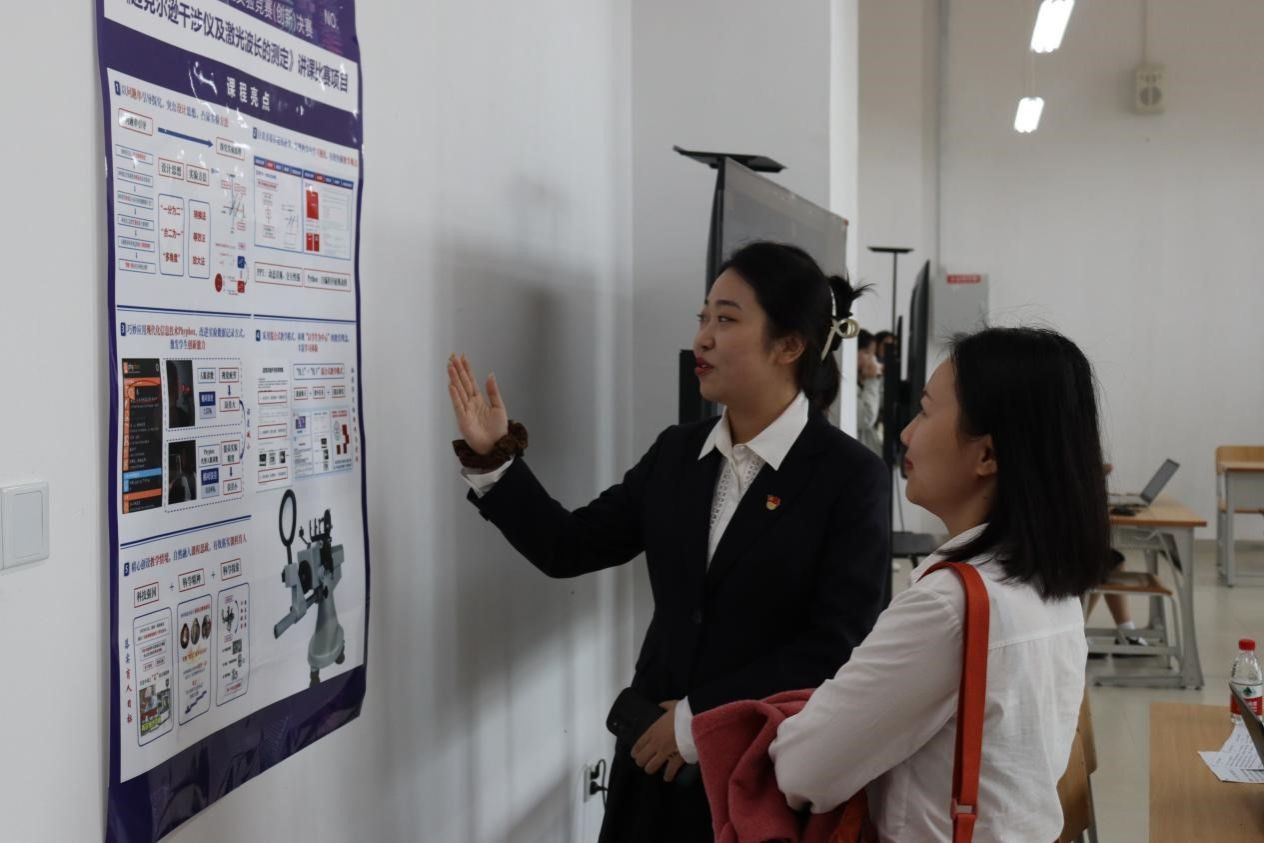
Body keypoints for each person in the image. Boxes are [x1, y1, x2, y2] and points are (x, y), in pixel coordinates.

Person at [447, 240, 891, 842]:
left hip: (760, 774)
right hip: (651, 772)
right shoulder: (678, 453)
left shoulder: (849, 476)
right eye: (702, 317)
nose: (702, 339)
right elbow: (568, 546)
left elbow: (835, 645)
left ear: (789, 345)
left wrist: (694, 720)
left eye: (726, 320)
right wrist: (493, 458)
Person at [769, 326, 1113, 842]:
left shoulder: (950, 606)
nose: (907, 433)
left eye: (926, 412)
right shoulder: (1051, 585)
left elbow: (803, 771)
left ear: (987, 456)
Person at [855, 330, 883, 457]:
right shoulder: (844, 384)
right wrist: (872, 380)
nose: (872, 359)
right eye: (867, 352)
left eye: (873, 354)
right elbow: (866, 417)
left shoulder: (860, 382)